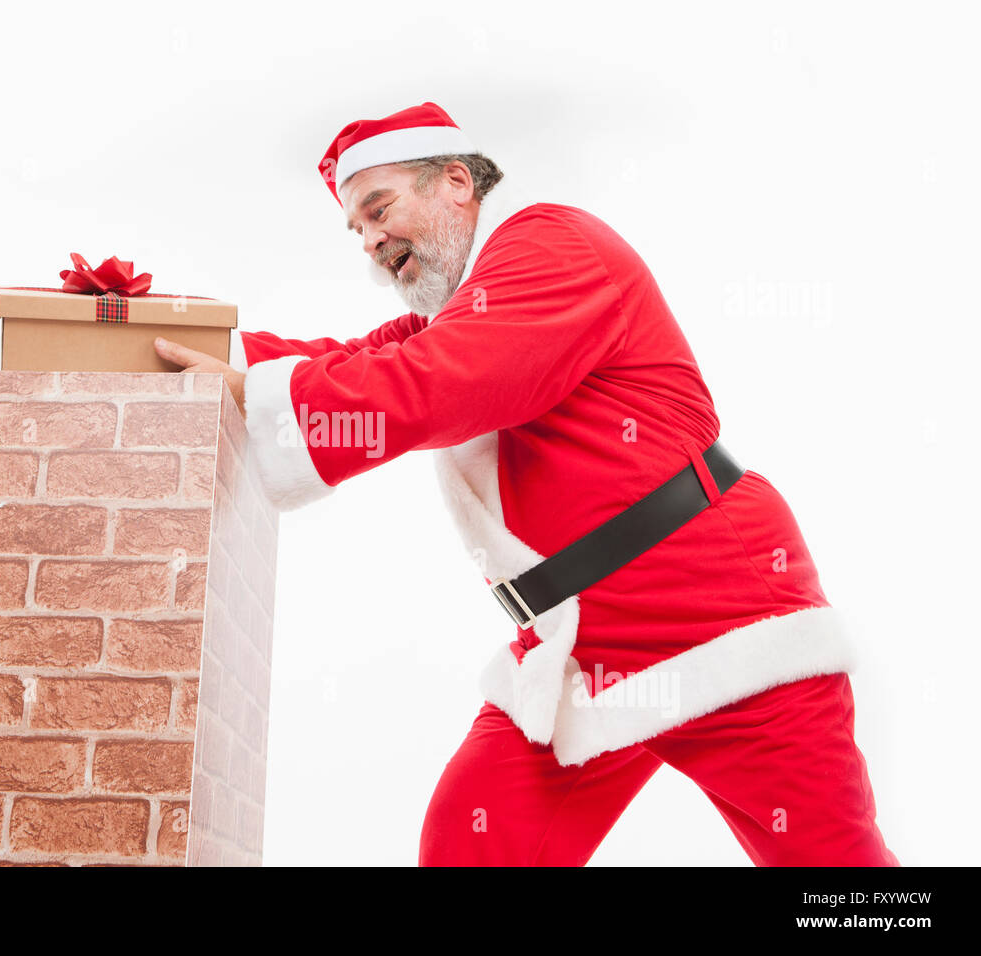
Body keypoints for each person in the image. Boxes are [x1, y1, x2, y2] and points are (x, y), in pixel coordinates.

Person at [154, 101, 898, 866]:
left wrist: (257, 397)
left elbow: (444, 382)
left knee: (835, 873)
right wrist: (160, 341)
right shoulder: (469, 300)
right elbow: (352, 358)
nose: (371, 239)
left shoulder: (551, 244)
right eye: (357, 230)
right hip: (580, 646)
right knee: (475, 836)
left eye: (378, 210)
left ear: (454, 182)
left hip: (723, 614)